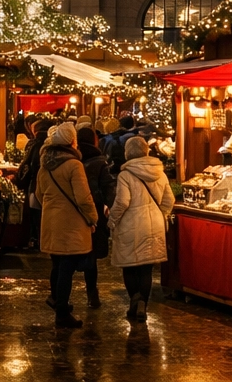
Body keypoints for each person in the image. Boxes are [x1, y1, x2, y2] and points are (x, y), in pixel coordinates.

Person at [34, 122, 97, 328]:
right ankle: (62, 311)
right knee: (67, 269)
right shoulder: (74, 165)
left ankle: (56, 300)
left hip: (51, 222)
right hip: (71, 224)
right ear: (71, 141)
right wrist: (92, 218)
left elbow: (39, 194)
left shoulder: (45, 164)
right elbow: (83, 198)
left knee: (57, 264)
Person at [110, 135, 174, 323]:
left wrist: (112, 220)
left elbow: (122, 201)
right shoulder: (160, 173)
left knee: (130, 266)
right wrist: (159, 214)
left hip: (131, 225)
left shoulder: (125, 175)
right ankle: (142, 305)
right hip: (153, 224)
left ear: (128, 152)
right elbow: (169, 200)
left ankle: (134, 300)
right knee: (146, 268)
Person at [77, 125, 116, 310]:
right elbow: (109, 187)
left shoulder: (72, 159)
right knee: (91, 252)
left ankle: (61, 296)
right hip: (95, 210)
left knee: (69, 254)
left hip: (74, 210)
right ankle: (92, 293)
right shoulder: (99, 161)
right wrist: (108, 206)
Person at [15, 119, 52, 248]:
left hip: (35, 184)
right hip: (48, 185)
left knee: (36, 214)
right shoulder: (50, 145)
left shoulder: (34, 145)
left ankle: (37, 239)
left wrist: (19, 179)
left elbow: (28, 165)